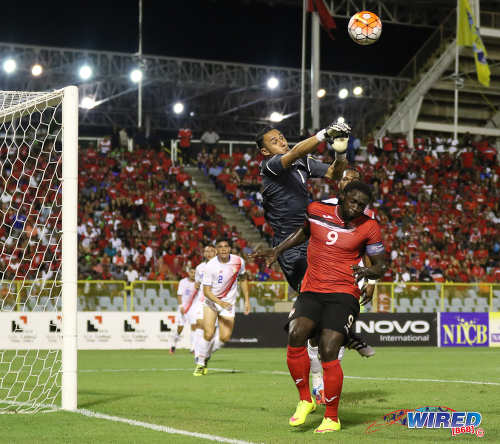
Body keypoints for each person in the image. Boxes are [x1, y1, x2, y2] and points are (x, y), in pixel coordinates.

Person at [252, 125, 375, 402]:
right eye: (274, 140)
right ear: (264, 150)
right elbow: (295, 151)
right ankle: (321, 374)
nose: (281, 140)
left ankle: (332, 355)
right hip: (292, 247)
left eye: (282, 136)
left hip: (316, 236)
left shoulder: (301, 162)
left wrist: (339, 150)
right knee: (319, 307)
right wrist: (322, 135)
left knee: (335, 300)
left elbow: (335, 173)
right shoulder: (270, 166)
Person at [262, 181, 387, 433]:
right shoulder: (316, 210)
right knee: (297, 334)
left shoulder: (370, 227)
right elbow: (304, 232)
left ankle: (331, 417)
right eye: (353, 201)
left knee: (329, 348)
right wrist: (278, 250)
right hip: (312, 289)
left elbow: (381, 265)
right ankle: (305, 400)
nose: (356, 208)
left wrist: (368, 271)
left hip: (344, 293)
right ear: (341, 196)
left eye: (362, 205)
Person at [193, 239, 250, 376]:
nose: (223, 249)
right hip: (212, 302)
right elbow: (206, 291)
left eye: (226, 246)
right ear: (216, 250)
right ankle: (201, 363)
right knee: (208, 333)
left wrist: (247, 300)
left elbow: (243, 279)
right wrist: (220, 302)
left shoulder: (238, 261)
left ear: (230, 248)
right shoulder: (210, 266)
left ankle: (206, 354)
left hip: (228, 304)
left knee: (225, 337)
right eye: (220, 247)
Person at [192, 244, 217, 369]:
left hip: (216, 303)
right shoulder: (199, 268)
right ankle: (198, 356)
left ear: (215, 252)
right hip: (202, 301)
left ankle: (206, 355)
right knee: (200, 326)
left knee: (212, 334)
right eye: (206, 251)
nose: (208, 253)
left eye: (211, 251)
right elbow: (197, 283)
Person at [171, 268, 198, 354]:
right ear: (188, 273)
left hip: (193, 308)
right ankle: (173, 345)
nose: (193, 274)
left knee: (194, 327)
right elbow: (179, 295)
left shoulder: (198, 283)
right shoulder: (183, 282)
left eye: (195, 273)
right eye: (191, 272)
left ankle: (193, 348)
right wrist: (181, 306)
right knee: (180, 328)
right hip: (183, 308)